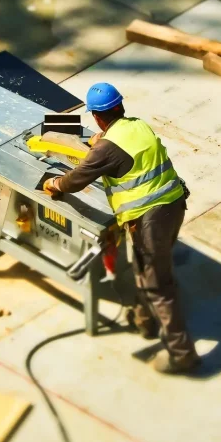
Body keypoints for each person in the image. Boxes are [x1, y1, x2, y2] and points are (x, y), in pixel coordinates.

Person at [42, 82, 201, 374]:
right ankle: (145, 320)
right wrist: (102, 141)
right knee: (145, 267)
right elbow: (121, 147)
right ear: (120, 107)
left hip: (149, 219)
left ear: (97, 117)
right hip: (174, 205)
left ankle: (182, 353)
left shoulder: (105, 149)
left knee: (158, 285)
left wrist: (54, 183)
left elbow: (76, 180)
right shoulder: (137, 126)